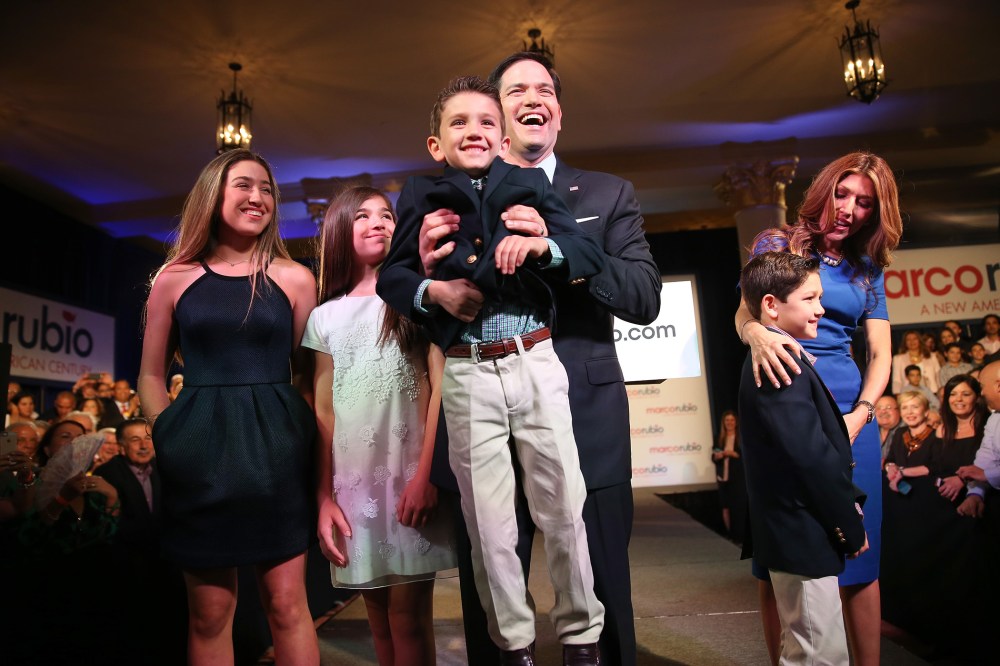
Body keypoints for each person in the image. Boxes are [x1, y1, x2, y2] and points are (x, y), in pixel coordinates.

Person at [416, 51, 660, 666]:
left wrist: (557, 250)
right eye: (517, 88)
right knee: (492, 596)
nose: (534, 97)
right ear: (496, 116)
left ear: (558, 111)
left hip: (584, 412)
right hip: (479, 409)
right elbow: (421, 317)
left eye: (545, 89)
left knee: (603, 593)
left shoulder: (607, 194)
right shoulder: (447, 200)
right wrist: (428, 280)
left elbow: (642, 298)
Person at [377, 75, 606, 665]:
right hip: (466, 370)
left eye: (484, 122)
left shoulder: (529, 182)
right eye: (458, 123)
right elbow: (393, 278)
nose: (473, 131)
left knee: (563, 508)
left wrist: (542, 248)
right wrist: (437, 292)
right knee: (489, 524)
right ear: (436, 145)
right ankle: (515, 647)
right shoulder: (419, 196)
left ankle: (582, 641)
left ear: (502, 135)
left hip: (534, 358)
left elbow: (587, 255)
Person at [137, 149, 319, 664]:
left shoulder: (296, 279)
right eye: (243, 185)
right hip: (198, 460)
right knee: (210, 614)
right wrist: (171, 435)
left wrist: (296, 438)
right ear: (214, 194)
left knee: (287, 606)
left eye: (266, 189)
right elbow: (151, 375)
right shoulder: (173, 278)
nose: (257, 197)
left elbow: (307, 374)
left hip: (277, 459)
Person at [735, 152, 901, 666]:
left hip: (854, 416)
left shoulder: (867, 267)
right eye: (843, 193)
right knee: (780, 556)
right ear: (825, 189)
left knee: (860, 557)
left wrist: (863, 411)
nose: (850, 208)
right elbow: (744, 314)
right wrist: (758, 334)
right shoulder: (775, 244)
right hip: (784, 393)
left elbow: (880, 353)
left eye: (865, 202)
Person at [303, 186, 457, 666]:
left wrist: (428, 477)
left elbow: (440, 392)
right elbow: (322, 411)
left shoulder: (418, 303)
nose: (378, 222)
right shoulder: (323, 317)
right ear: (338, 230)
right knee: (379, 627)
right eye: (363, 215)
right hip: (354, 491)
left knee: (409, 622)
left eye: (387, 215)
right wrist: (324, 496)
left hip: (410, 481)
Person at [738, 251, 868, 666]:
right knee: (819, 654)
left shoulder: (783, 353)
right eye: (809, 299)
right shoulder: (781, 361)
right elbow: (810, 458)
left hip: (796, 531)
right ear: (771, 305)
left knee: (808, 647)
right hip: (800, 531)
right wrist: (848, 524)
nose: (821, 308)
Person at [711, 410, 745, 537]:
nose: (729, 423)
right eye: (727, 420)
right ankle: (730, 534)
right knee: (726, 507)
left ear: (736, 422)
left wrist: (733, 454)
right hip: (723, 478)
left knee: (739, 506)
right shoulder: (719, 438)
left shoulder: (741, 437)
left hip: (738, 478)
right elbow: (714, 456)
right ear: (723, 423)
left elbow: (746, 457)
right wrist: (718, 456)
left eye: (732, 420)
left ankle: (740, 534)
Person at [891, 330, 941, 395]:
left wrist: (940, 393)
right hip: (909, 394)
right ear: (905, 342)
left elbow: (938, 376)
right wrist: (898, 395)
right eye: (908, 339)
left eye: (915, 339)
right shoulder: (898, 359)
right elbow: (896, 380)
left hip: (932, 392)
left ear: (919, 341)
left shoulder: (932, 356)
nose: (912, 342)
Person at [875, 395, 904, 464]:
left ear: (899, 411)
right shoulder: (869, 432)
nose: (883, 411)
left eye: (889, 407)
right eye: (879, 408)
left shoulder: (906, 432)